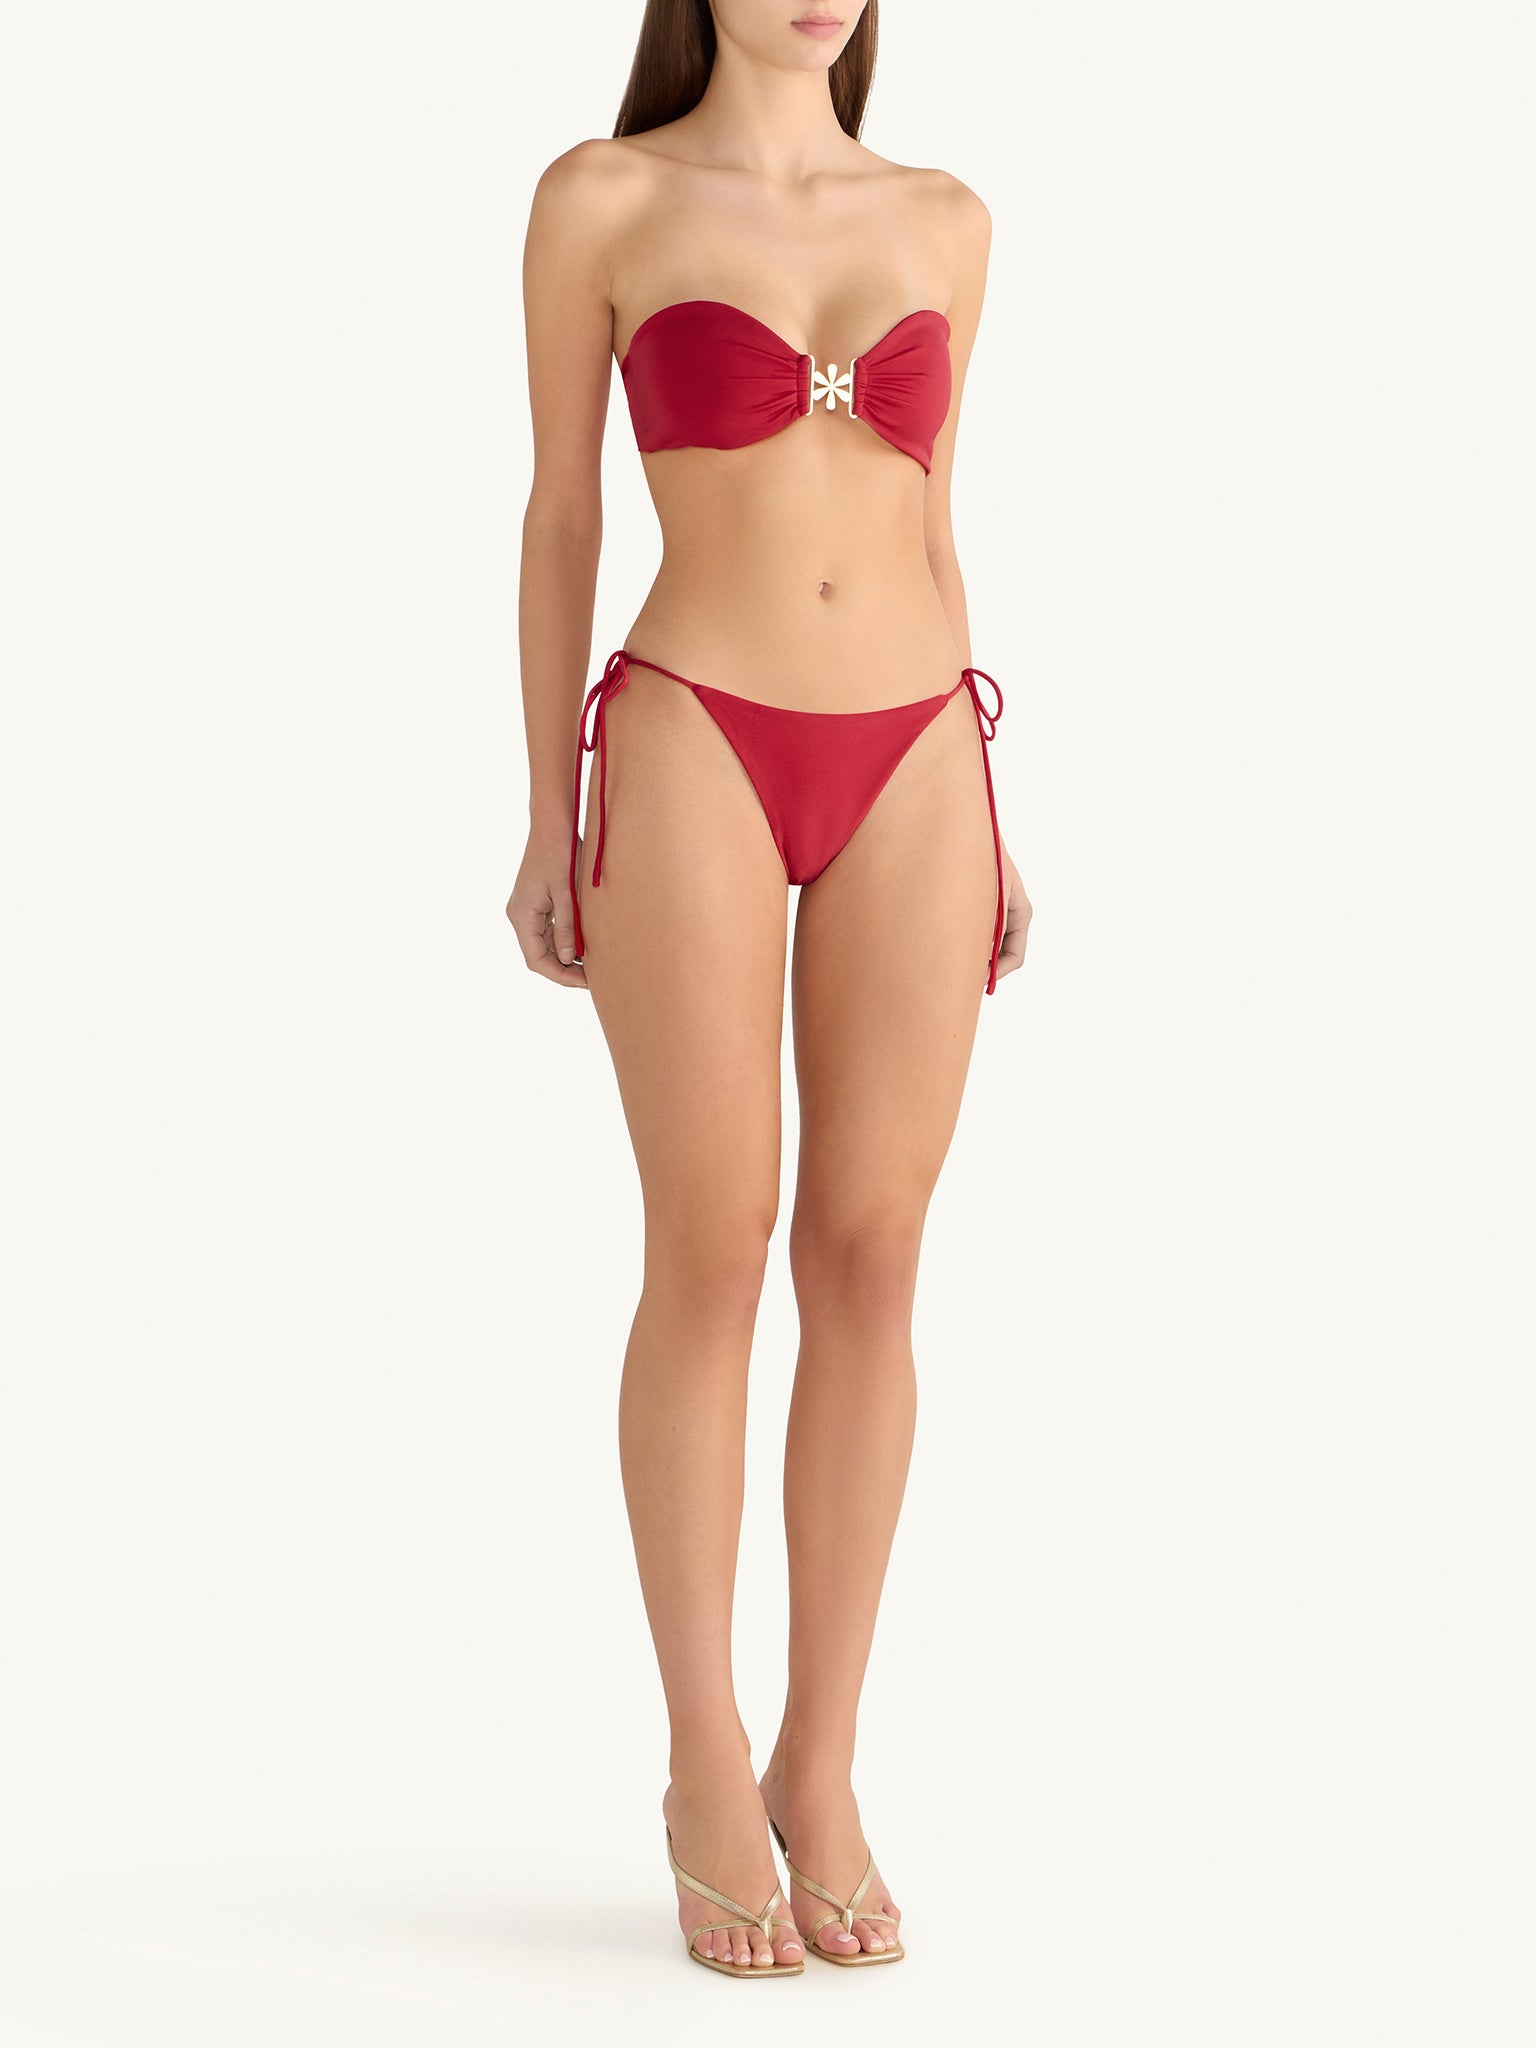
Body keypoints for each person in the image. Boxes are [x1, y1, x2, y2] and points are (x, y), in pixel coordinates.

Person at [506, 0, 1030, 1978]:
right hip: (692, 729)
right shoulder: (602, 197)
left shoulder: (948, 219)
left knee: (875, 1255)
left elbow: (937, 523)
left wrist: (998, 817)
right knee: (712, 1244)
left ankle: (822, 1758)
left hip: (917, 750)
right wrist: (546, 814)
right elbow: (563, 512)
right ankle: (703, 1758)